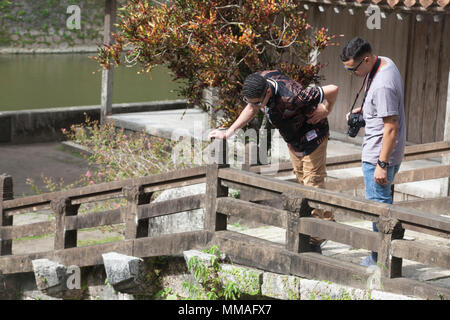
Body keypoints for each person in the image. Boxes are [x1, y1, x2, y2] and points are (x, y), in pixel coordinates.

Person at [208, 70, 339, 253]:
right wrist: (227, 133)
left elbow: (333, 89)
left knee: (312, 185)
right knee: (303, 182)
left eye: (257, 103)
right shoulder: (259, 81)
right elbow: (251, 108)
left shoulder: (294, 96)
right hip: (294, 140)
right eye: (250, 102)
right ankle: (327, 221)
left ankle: (315, 239)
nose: (254, 106)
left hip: (313, 137)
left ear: (268, 92)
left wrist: (326, 109)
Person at [340, 37, 406, 267]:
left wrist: (381, 164)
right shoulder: (384, 62)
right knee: (381, 206)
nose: (351, 73)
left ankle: (380, 259)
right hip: (383, 153)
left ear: (366, 60)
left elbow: (391, 128)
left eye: (353, 69)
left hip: (379, 156)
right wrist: (366, 109)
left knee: (379, 210)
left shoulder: (383, 84)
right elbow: (385, 111)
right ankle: (382, 256)